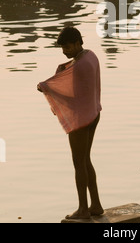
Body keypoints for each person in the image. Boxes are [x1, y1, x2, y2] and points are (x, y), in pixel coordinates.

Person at [37, 26, 103, 220]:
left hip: (82, 119)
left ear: (77, 43)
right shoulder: (90, 55)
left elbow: (71, 94)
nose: (64, 51)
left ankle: (83, 209)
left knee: (78, 163)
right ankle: (96, 204)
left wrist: (47, 88)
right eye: (62, 48)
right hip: (93, 113)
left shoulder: (81, 65)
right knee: (86, 160)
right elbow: (73, 68)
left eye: (67, 47)